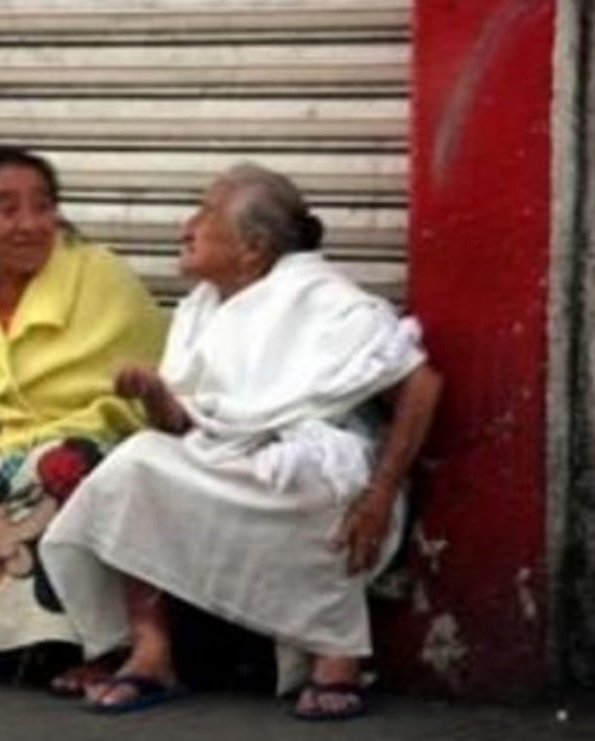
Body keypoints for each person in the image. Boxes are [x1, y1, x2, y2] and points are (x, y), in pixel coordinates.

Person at [41, 163, 443, 719]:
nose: (186, 226)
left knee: (315, 478)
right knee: (132, 468)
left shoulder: (324, 298)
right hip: (227, 461)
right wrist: (155, 394)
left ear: (252, 248)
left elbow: (421, 385)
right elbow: (190, 427)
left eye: (204, 213)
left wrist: (380, 495)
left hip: (312, 470)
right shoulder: (202, 308)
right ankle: (152, 652)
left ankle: (336, 653)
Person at [0, 147, 166, 689]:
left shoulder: (101, 275)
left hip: (82, 425)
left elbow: (139, 373)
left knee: (58, 467)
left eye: (42, 207)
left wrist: (38, 434)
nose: (29, 224)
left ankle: (94, 647)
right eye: (7, 208)